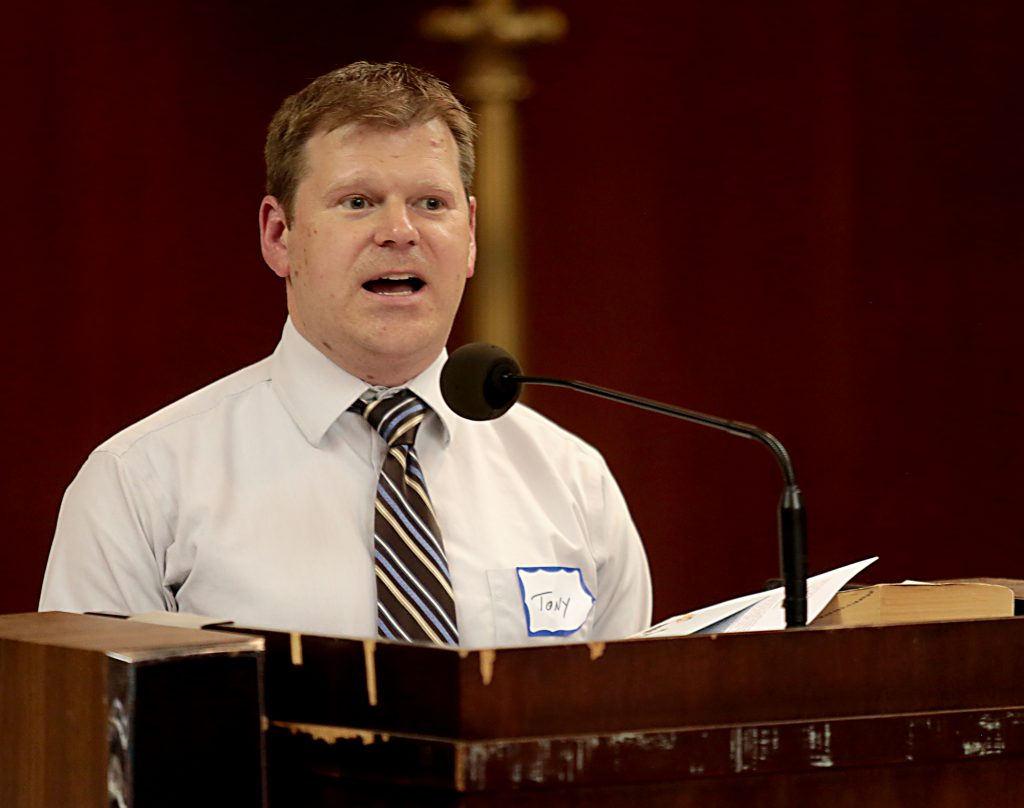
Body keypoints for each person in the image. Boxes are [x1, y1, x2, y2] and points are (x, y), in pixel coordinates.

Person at [39, 62, 651, 647]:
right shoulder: (142, 482)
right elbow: (86, 738)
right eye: (358, 201)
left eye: (430, 204)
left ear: (469, 237)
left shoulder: (573, 481)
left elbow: (630, 731)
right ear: (279, 235)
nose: (399, 231)